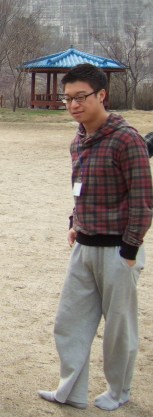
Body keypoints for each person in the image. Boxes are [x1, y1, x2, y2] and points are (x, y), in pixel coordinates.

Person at [38, 63, 152, 411]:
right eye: (67, 98)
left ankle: (118, 390)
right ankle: (71, 390)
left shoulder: (127, 138)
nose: (73, 105)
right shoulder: (79, 140)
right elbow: (82, 187)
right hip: (84, 246)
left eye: (81, 97)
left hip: (118, 248)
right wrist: (75, 221)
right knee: (69, 322)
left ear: (102, 95)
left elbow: (143, 199)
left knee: (118, 328)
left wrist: (130, 249)